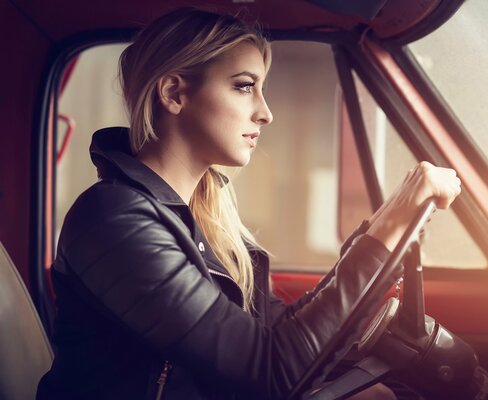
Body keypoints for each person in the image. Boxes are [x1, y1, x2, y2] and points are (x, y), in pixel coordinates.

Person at [36, 7, 461, 400]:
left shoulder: (204, 215)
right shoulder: (113, 219)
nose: (266, 112)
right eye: (244, 87)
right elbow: (269, 373)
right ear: (174, 94)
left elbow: (277, 331)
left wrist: (381, 227)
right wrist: (389, 232)